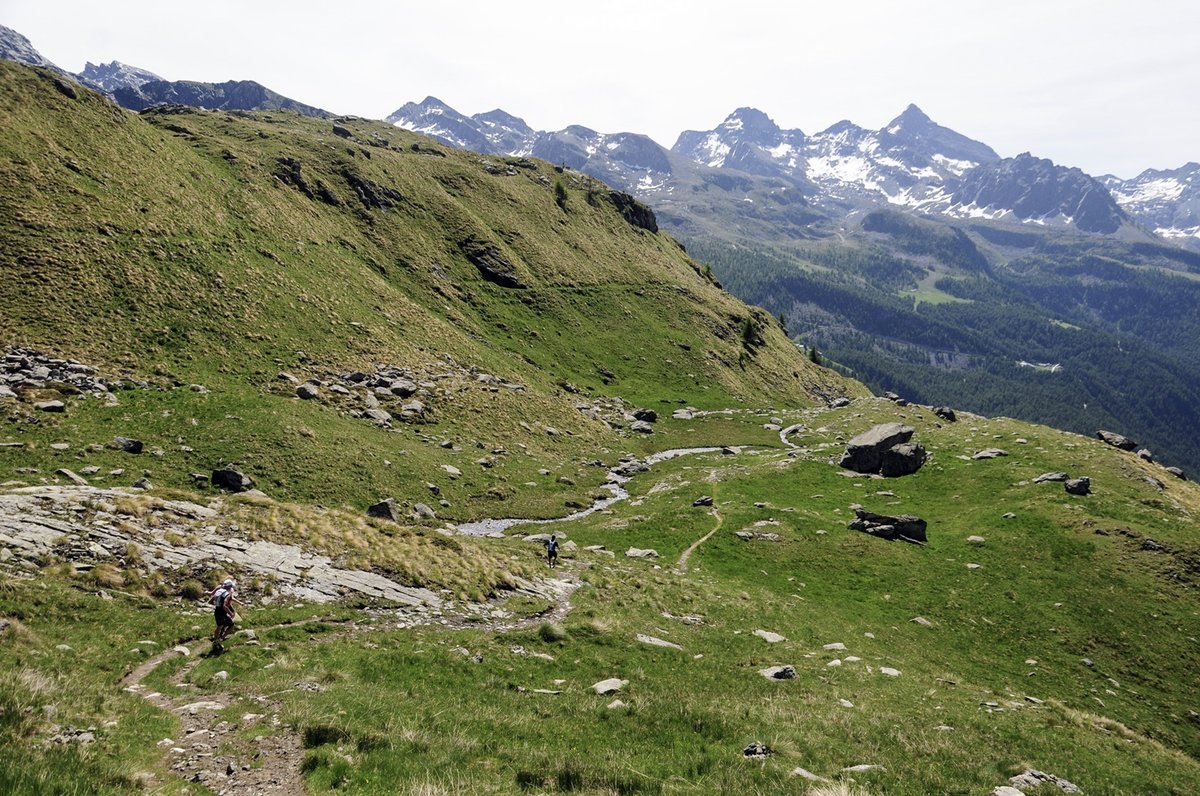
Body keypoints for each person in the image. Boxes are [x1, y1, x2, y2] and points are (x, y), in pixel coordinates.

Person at [209, 578, 245, 643]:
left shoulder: (219, 591)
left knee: (219, 626)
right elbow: (225, 606)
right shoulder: (227, 594)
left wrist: (218, 605)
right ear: (229, 586)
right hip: (223, 612)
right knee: (231, 625)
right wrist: (230, 613)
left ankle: (216, 639)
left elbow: (210, 602)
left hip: (217, 611)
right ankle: (222, 638)